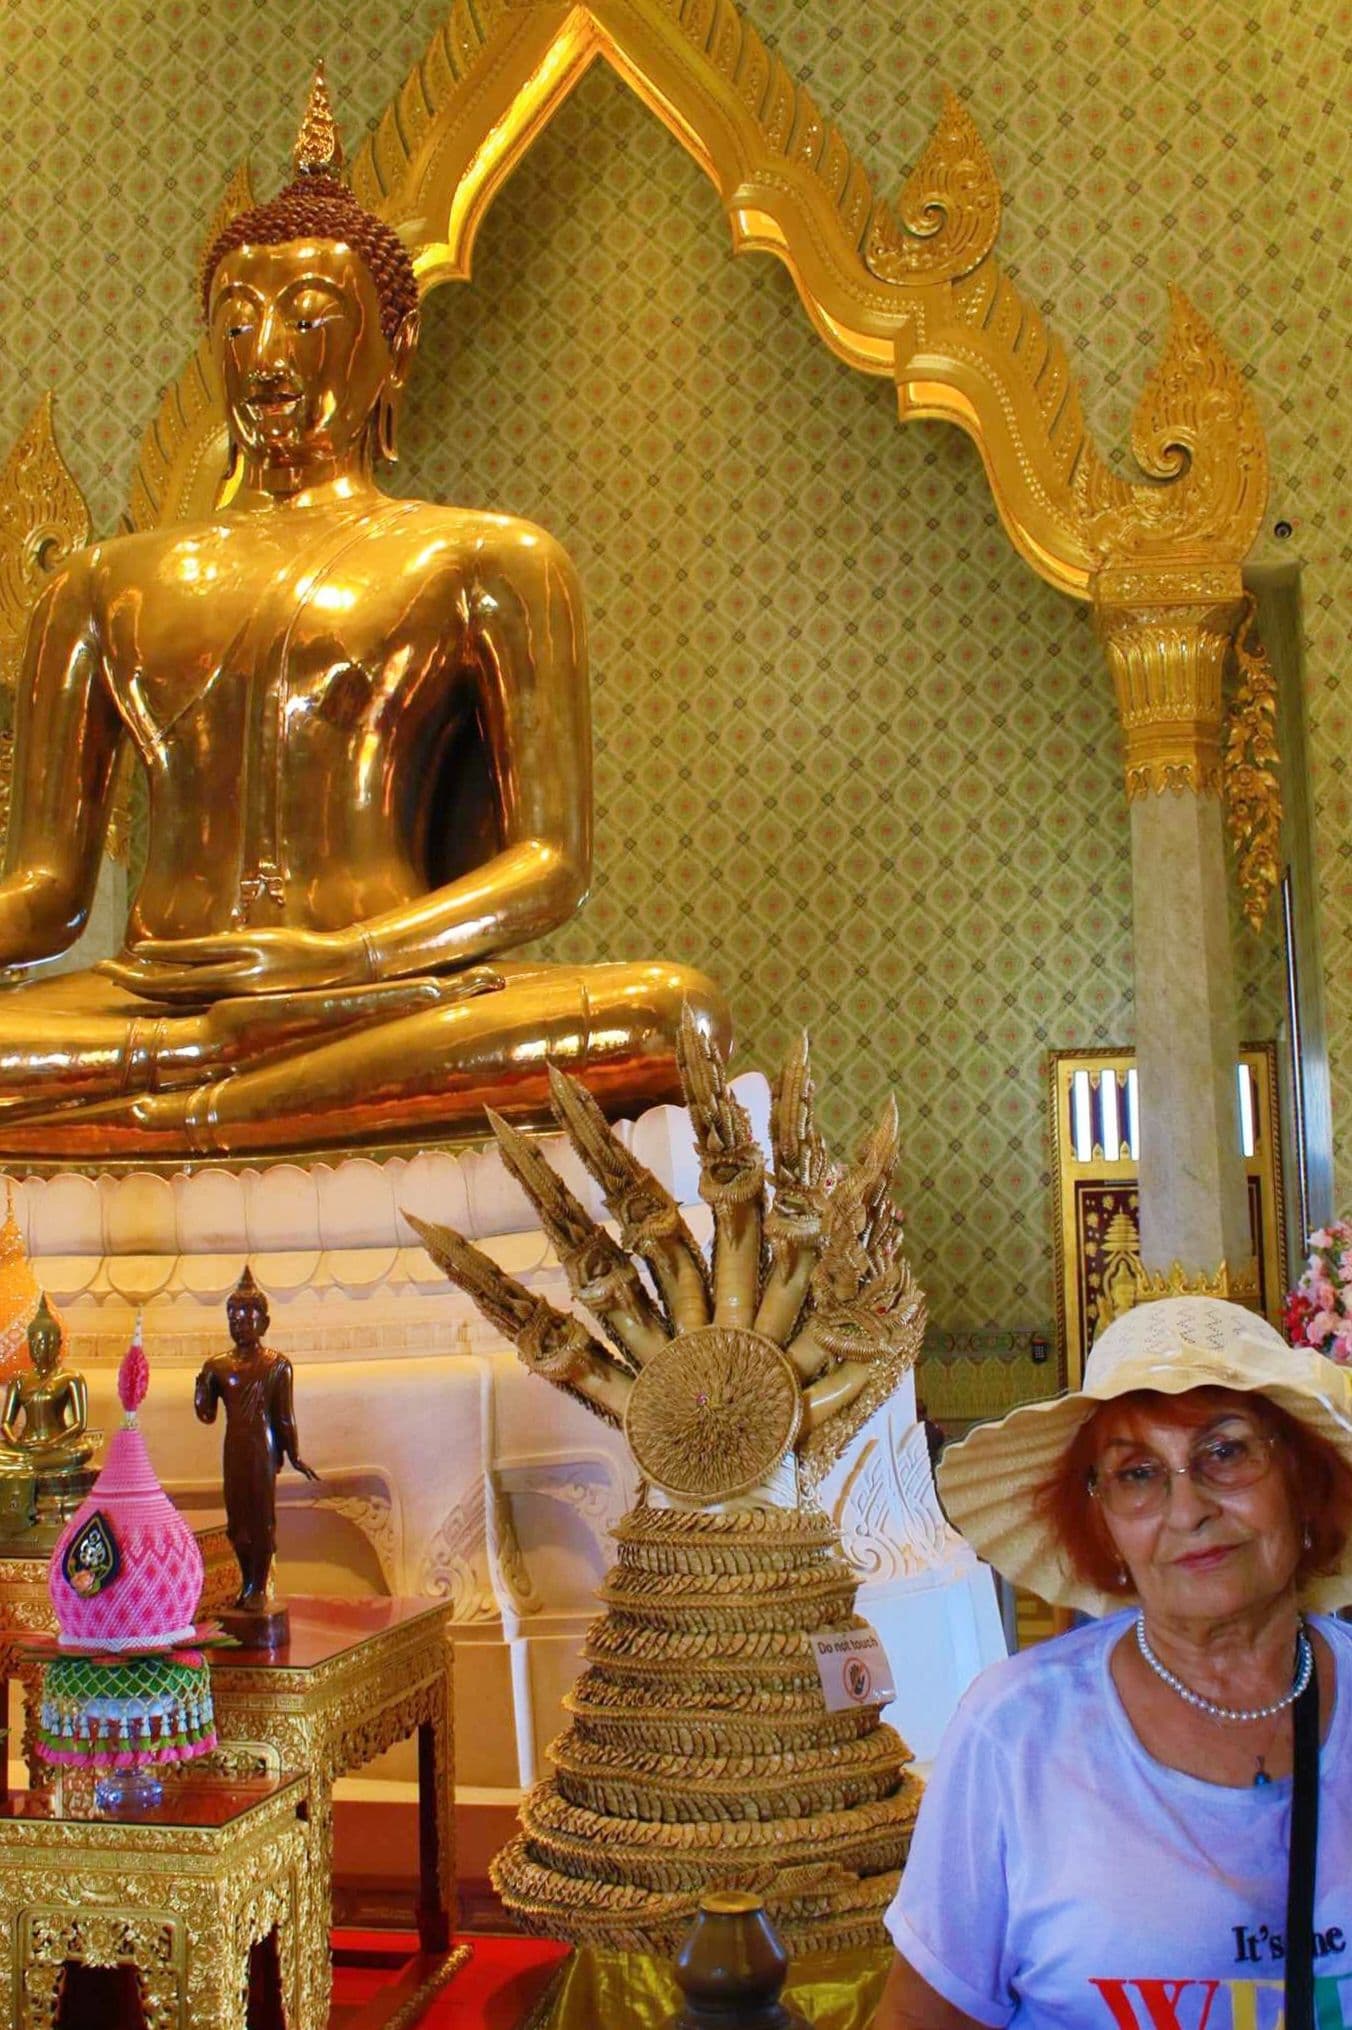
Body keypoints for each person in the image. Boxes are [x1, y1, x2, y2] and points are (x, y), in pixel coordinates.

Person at [0, 66, 726, 1160]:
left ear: (397, 344)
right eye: (236, 324)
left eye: (310, 318)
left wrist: (344, 964)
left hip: (381, 998)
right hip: (152, 1004)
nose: (267, 357)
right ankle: (209, 1099)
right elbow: (49, 894)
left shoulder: (484, 558)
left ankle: (184, 1117)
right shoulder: (103, 583)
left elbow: (549, 864)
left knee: (667, 1015)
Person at [873, 1296, 1352, 2029]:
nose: (1187, 1508)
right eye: (1137, 1474)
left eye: (1225, 1452)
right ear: (1100, 1520)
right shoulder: (1016, 1732)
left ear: (1301, 1477)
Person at [194, 1266, 317, 1615]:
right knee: (238, 1520)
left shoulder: (277, 1365)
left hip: (261, 1448)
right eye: (233, 1316)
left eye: (247, 1316)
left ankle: (257, 1587)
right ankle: (245, 1581)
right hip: (234, 1447)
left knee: (261, 1518)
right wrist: (201, 1388)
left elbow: (283, 1417)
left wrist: (293, 1455)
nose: (240, 1323)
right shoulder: (218, 1366)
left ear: (264, 1321)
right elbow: (206, 1416)